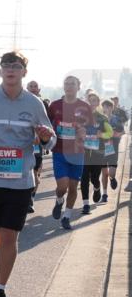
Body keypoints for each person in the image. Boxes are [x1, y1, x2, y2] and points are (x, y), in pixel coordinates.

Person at [0, 52, 55, 297]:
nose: (10, 69)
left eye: (16, 66)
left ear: (24, 72)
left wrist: (44, 137)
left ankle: (0, 290)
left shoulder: (34, 104)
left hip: (20, 182)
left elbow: (49, 140)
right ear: (0, 72)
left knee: (10, 236)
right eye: (6, 66)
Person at [48, 76, 92, 230]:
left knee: (73, 187)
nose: (68, 86)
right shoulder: (54, 105)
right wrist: (47, 135)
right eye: (66, 83)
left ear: (78, 86)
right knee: (62, 187)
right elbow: (46, 125)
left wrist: (84, 133)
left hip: (77, 153)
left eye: (72, 84)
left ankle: (66, 217)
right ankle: (59, 200)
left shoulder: (85, 107)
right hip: (59, 152)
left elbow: (91, 129)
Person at [79, 93, 113, 213]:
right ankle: (86, 204)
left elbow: (110, 133)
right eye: (89, 101)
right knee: (83, 178)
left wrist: (101, 135)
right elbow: (74, 131)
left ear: (98, 103)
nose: (91, 103)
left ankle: (97, 187)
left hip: (98, 153)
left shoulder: (102, 118)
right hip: (83, 152)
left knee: (94, 178)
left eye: (94, 101)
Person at [26, 80, 52, 213]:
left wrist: (43, 137)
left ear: (39, 89)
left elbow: (48, 124)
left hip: (37, 143)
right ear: (26, 88)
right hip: (22, 143)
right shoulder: (20, 101)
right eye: (30, 86)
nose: (33, 88)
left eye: (35, 86)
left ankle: (31, 198)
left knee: (35, 172)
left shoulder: (44, 104)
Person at [101, 99, 123, 200]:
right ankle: (104, 194)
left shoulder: (116, 119)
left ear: (112, 107)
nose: (106, 109)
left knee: (111, 173)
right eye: (104, 107)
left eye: (108, 106)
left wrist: (113, 134)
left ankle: (112, 178)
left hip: (113, 147)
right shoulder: (99, 119)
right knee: (104, 172)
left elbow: (121, 132)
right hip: (101, 149)